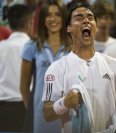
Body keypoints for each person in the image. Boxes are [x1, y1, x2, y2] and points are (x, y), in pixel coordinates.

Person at [42, 2, 116, 133]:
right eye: (79, 18)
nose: (86, 20)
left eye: (90, 17)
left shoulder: (115, 65)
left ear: (96, 27)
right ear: (69, 28)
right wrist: (64, 102)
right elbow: (47, 114)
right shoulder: (56, 68)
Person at [20, 1, 70, 133]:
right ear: (42, 19)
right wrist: (33, 109)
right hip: (40, 114)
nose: (53, 19)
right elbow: (24, 86)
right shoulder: (32, 46)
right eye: (48, 15)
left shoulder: (73, 47)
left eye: (57, 15)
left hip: (67, 113)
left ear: (63, 18)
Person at [0, 4, 33, 132]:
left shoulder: (1, 47)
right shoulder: (34, 49)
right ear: (29, 23)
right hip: (24, 108)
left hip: (2, 109)